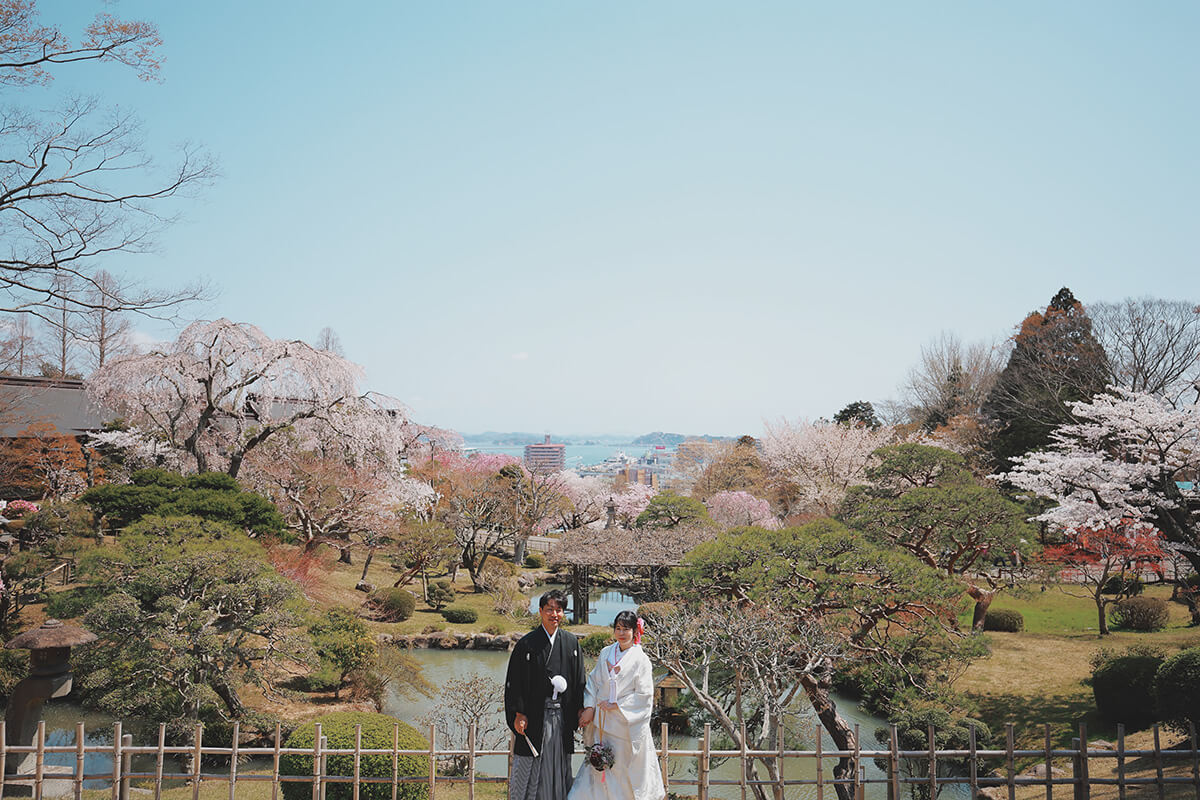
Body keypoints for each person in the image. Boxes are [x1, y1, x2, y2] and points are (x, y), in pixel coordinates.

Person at [569, 610, 666, 800]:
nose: (621, 633)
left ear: (635, 632)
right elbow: (593, 682)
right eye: (618, 628)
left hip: (625, 727)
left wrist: (617, 705)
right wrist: (590, 707)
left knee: (622, 771)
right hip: (603, 725)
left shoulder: (641, 660)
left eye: (626, 629)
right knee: (600, 768)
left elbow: (645, 695)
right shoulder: (606, 653)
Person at [506, 589, 586, 800]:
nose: (554, 614)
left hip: (562, 717)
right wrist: (518, 713)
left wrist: (580, 708)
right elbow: (515, 683)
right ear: (540, 611)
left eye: (559, 610)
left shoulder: (571, 643)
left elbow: (579, 681)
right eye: (549, 609)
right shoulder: (526, 644)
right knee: (531, 764)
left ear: (563, 613)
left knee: (560, 764)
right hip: (534, 716)